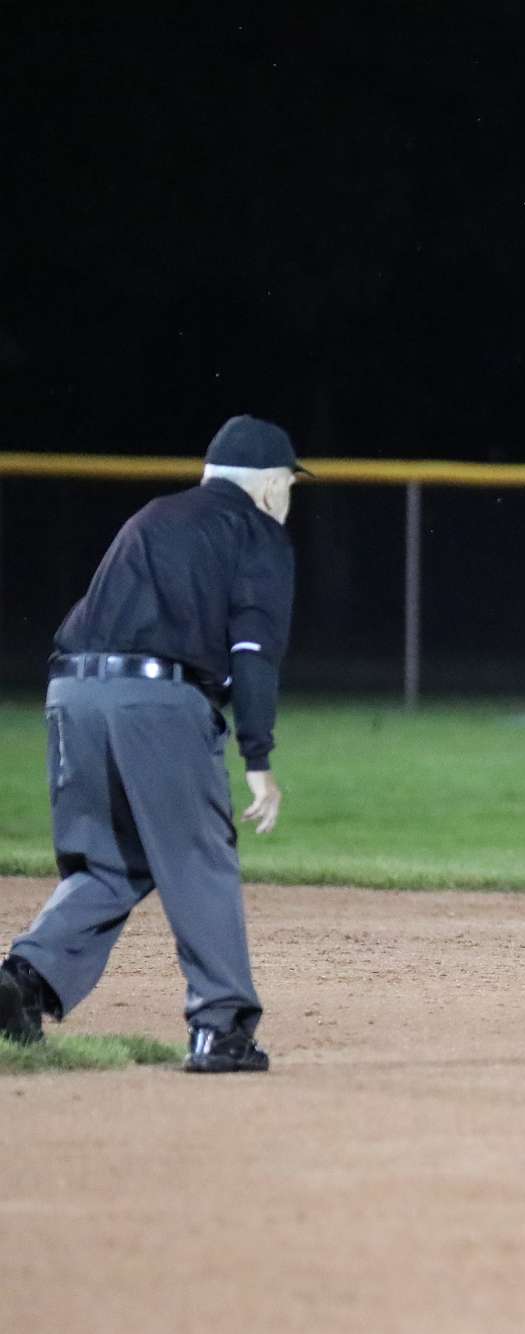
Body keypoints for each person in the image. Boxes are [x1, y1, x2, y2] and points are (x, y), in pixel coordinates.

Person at [0, 415, 308, 1072]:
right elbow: (253, 652)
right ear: (268, 485)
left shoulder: (151, 517)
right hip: (156, 702)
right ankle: (221, 1027)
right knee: (199, 857)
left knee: (110, 862)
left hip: (70, 693)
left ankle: (22, 983)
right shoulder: (257, 532)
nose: (289, 496)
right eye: (289, 483)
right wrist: (258, 757)